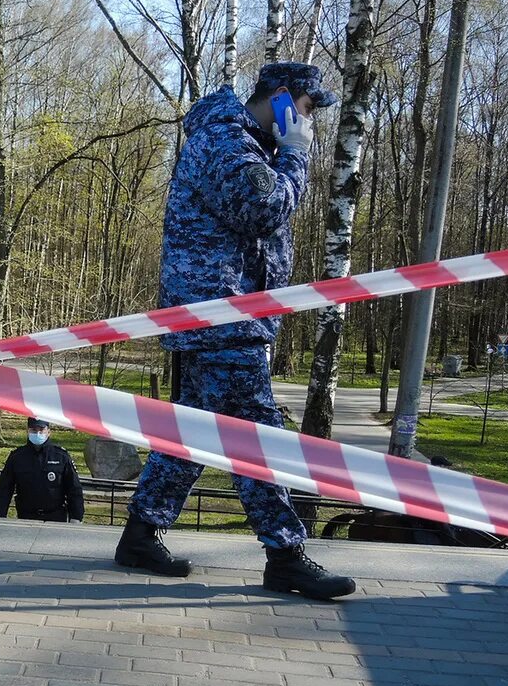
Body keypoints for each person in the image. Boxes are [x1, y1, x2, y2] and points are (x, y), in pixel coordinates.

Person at [114, 63, 357, 600]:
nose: (310, 123)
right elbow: (264, 209)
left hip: (225, 316)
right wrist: (296, 151)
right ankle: (286, 554)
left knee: (190, 436)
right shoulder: (226, 141)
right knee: (255, 437)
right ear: (284, 99)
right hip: (220, 317)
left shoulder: (243, 143)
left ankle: (140, 533)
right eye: (308, 110)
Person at [0, 418, 84, 523]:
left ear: (48, 432)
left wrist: (76, 516)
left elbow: (74, 488)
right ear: (27, 431)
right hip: (26, 516)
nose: (37, 433)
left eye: (41, 430)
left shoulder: (61, 456)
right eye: (33, 430)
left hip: (55, 517)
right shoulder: (17, 457)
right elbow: (5, 488)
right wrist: (0, 515)